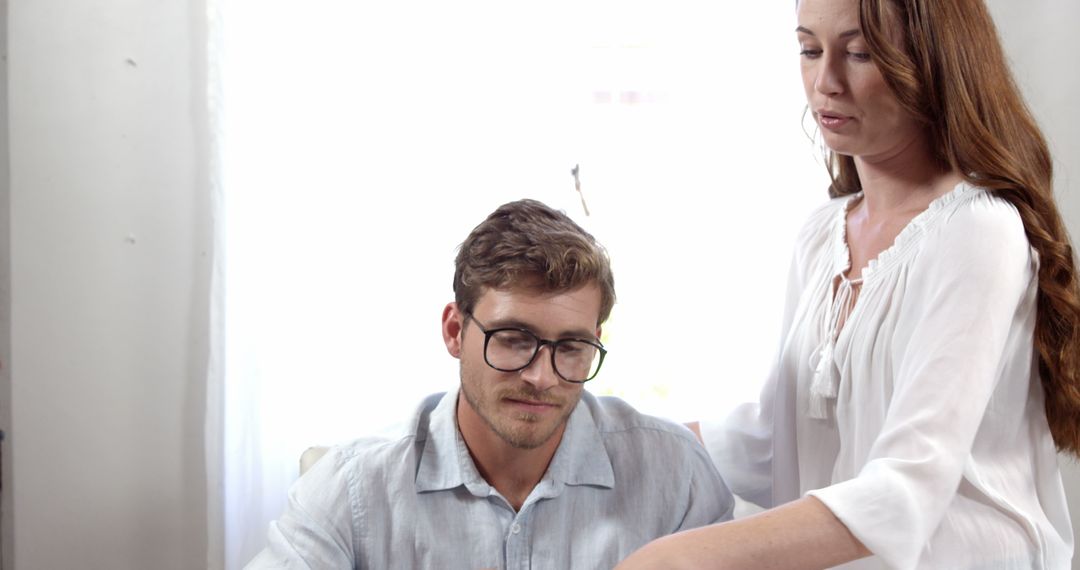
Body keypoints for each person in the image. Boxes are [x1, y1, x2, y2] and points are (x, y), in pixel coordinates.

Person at [617, 0, 1080, 568]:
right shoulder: (820, 235)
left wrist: (680, 558)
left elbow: (907, 489)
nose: (825, 82)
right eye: (810, 50)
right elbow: (772, 443)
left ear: (934, 61)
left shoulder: (977, 231)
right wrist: (605, 438)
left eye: (859, 53)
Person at [246, 199, 734, 569]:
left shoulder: (677, 476)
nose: (541, 377)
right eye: (514, 339)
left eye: (570, 347)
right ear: (455, 331)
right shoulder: (350, 490)